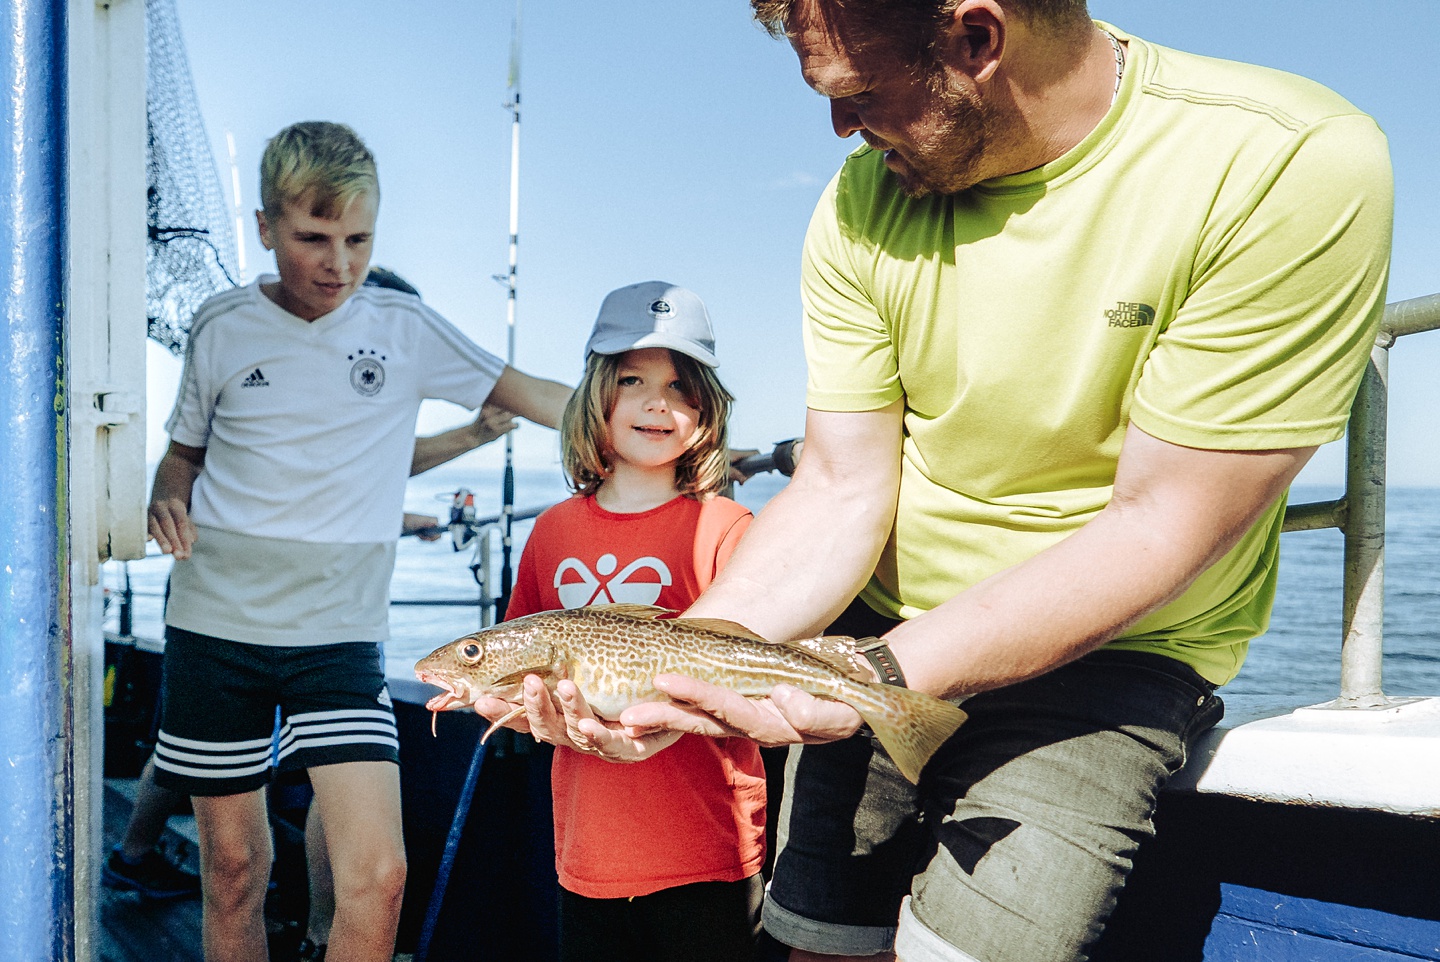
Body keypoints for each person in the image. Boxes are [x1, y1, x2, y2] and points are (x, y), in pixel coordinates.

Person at [493, 3, 1394, 961]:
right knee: (814, 946)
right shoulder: (859, 197)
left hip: (1112, 657)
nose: (840, 131)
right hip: (865, 636)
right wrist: (673, 675)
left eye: (858, 95)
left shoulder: (1291, 163)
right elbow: (841, 486)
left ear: (976, 39)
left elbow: (1163, 522)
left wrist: (882, 678)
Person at [145, 120, 571, 962]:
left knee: (377, 876)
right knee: (234, 868)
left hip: (338, 644)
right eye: (312, 237)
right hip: (215, 633)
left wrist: (681, 438)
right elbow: (184, 455)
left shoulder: (404, 326)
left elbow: (548, 396)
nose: (338, 262)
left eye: (358, 239)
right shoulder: (221, 327)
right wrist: (166, 493)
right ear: (265, 228)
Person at [490, 280, 766, 962]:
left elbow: (756, 685)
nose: (657, 403)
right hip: (586, 853)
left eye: (681, 387)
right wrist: (508, 705)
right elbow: (509, 669)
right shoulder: (551, 532)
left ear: (706, 409)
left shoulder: (731, 527)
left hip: (711, 849)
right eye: (632, 378)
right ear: (595, 394)